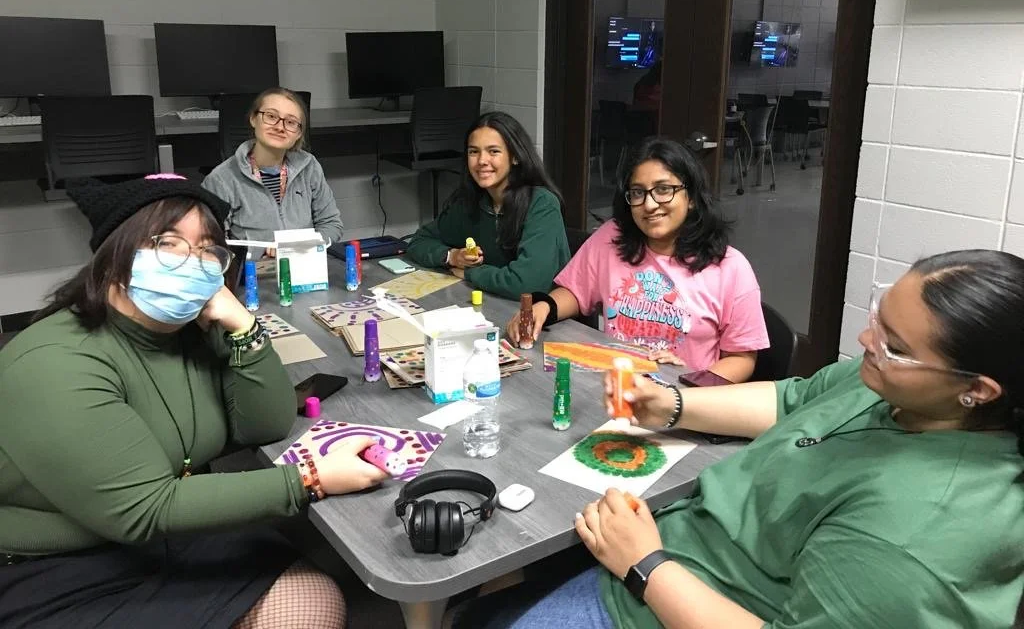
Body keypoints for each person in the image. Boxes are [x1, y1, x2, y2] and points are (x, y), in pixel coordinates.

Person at [478, 249, 1024, 629]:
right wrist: (672, 405)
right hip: (672, 545)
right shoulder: (892, 385)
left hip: (667, 591)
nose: (866, 341)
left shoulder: (911, 540)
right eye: (879, 319)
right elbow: (789, 401)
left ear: (976, 390)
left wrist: (645, 564)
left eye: (895, 345)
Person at [0, 174, 387, 629]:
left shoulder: (189, 332)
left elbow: (267, 424)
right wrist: (308, 480)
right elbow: (146, 508)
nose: (192, 261)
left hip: (170, 534)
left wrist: (243, 327)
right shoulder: (55, 362)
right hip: (56, 567)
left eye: (207, 249)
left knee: (314, 597)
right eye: (167, 242)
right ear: (114, 256)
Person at [509, 136, 768, 382]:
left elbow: (742, 358)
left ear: (691, 197)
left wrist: (689, 387)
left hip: (684, 402)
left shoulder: (730, 267)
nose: (650, 204)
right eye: (637, 193)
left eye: (664, 189)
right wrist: (543, 308)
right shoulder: (612, 237)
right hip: (616, 388)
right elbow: (577, 292)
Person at [406, 111, 571, 300]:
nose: (482, 161)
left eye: (494, 151)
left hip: (540, 320)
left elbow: (527, 285)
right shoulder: (471, 202)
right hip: (490, 306)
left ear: (515, 157)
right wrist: (452, 257)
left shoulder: (541, 204)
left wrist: (470, 273)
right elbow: (419, 241)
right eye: (474, 151)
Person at [203, 87, 343, 256]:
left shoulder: (309, 167)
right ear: (254, 119)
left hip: (305, 270)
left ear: (299, 133)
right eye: (271, 116)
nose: (280, 127)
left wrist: (300, 247)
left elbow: (331, 224)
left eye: (291, 122)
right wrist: (260, 252)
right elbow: (210, 244)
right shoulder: (221, 179)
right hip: (252, 276)